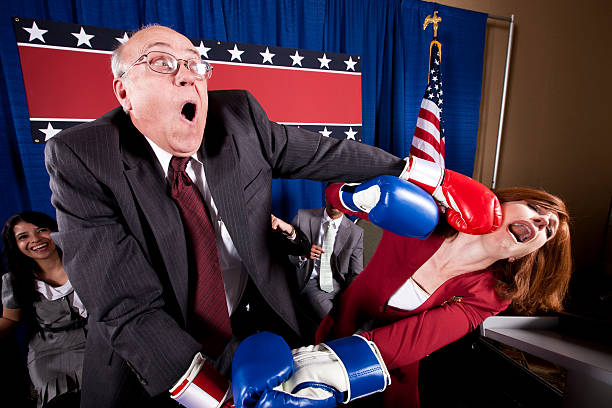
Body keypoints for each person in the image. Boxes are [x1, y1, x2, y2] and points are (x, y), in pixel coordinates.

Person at [44, 24, 499, 407]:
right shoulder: (83, 157)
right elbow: (128, 308)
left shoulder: (237, 117)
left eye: (195, 64)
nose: (188, 77)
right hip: (149, 360)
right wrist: (216, 398)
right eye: (162, 63)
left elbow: (327, 154)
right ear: (124, 92)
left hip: (256, 325)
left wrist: (426, 176)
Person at [234, 183, 572, 408]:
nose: (542, 220)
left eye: (549, 229)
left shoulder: (494, 295)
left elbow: (418, 337)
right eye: (534, 207)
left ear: (524, 253)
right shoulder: (430, 215)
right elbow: (338, 196)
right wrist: (358, 194)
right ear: (502, 204)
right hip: (340, 325)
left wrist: (332, 368)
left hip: (386, 371)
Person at [1, 211, 87, 408]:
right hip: (50, 352)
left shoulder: (84, 260)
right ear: (16, 245)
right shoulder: (14, 281)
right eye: (24, 237)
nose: (36, 239)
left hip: (98, 341)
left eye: (41, 230)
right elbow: (11, 320)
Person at [290, 198, 363, 328]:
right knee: (334, 323)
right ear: (325, 196)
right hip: (311, 282)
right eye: (332, 197)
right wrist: (304, 254)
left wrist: (352, 299)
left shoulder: (356, 232)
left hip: (340, 286)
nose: (335, 202)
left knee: (361, 319)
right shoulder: (303, 218)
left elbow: (356, 273)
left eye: (340, 199)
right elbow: (285, 256)